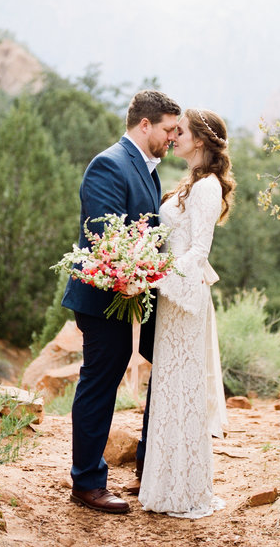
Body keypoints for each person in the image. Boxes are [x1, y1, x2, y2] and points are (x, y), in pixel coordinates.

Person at [63, 89, 181, 515]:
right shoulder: (109, 164)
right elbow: (105, 236)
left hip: (135, 294)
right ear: (144, 124)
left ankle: (149, 469)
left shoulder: (148, 170)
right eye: (168, 129)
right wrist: (131, 272)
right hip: (101, 296)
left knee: (142, 371)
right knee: (100, 382)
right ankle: (87, 483)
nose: (173, 137)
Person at [138, 108, 235, 519]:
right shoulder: (191, 183)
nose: (173, 136)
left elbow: (198, 253)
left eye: (181, 131)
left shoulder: (208, 186)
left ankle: (184, 490)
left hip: (184, 300)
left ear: (199, 141)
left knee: (183, 393)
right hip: (171, 300)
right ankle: (165, 485)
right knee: (169, 392)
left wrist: (155, 273)